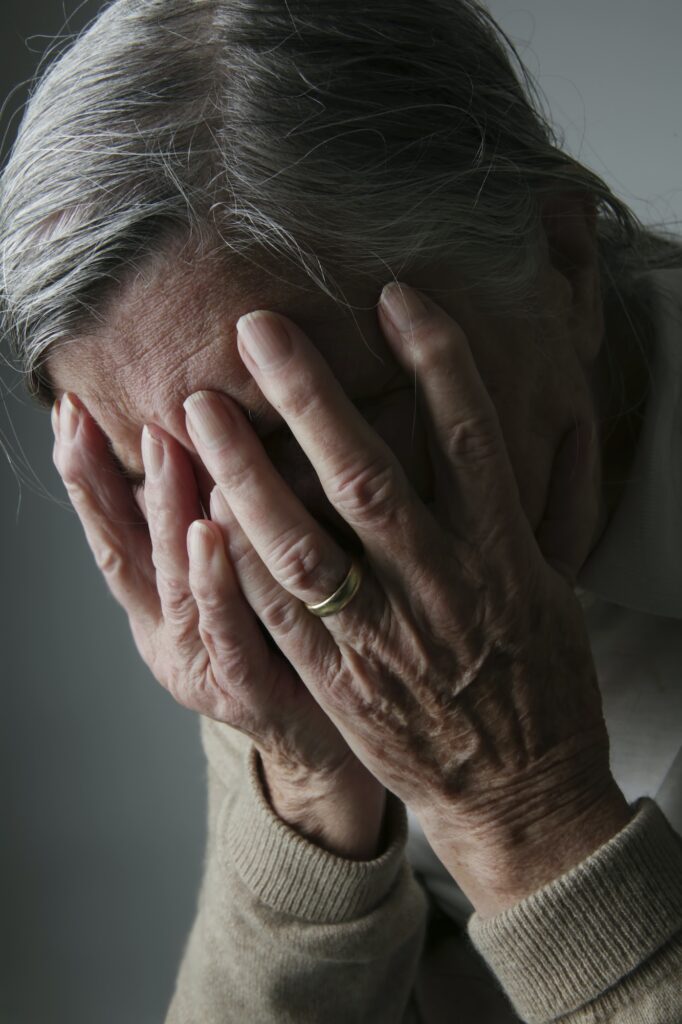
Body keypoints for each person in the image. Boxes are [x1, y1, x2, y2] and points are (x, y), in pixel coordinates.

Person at [1, 1, 680, 1020]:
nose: (260, 554)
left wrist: (522, 810)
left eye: (317, 433)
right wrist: (306, 793)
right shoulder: (244, 562)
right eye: (161, 477)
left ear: (563, 268)